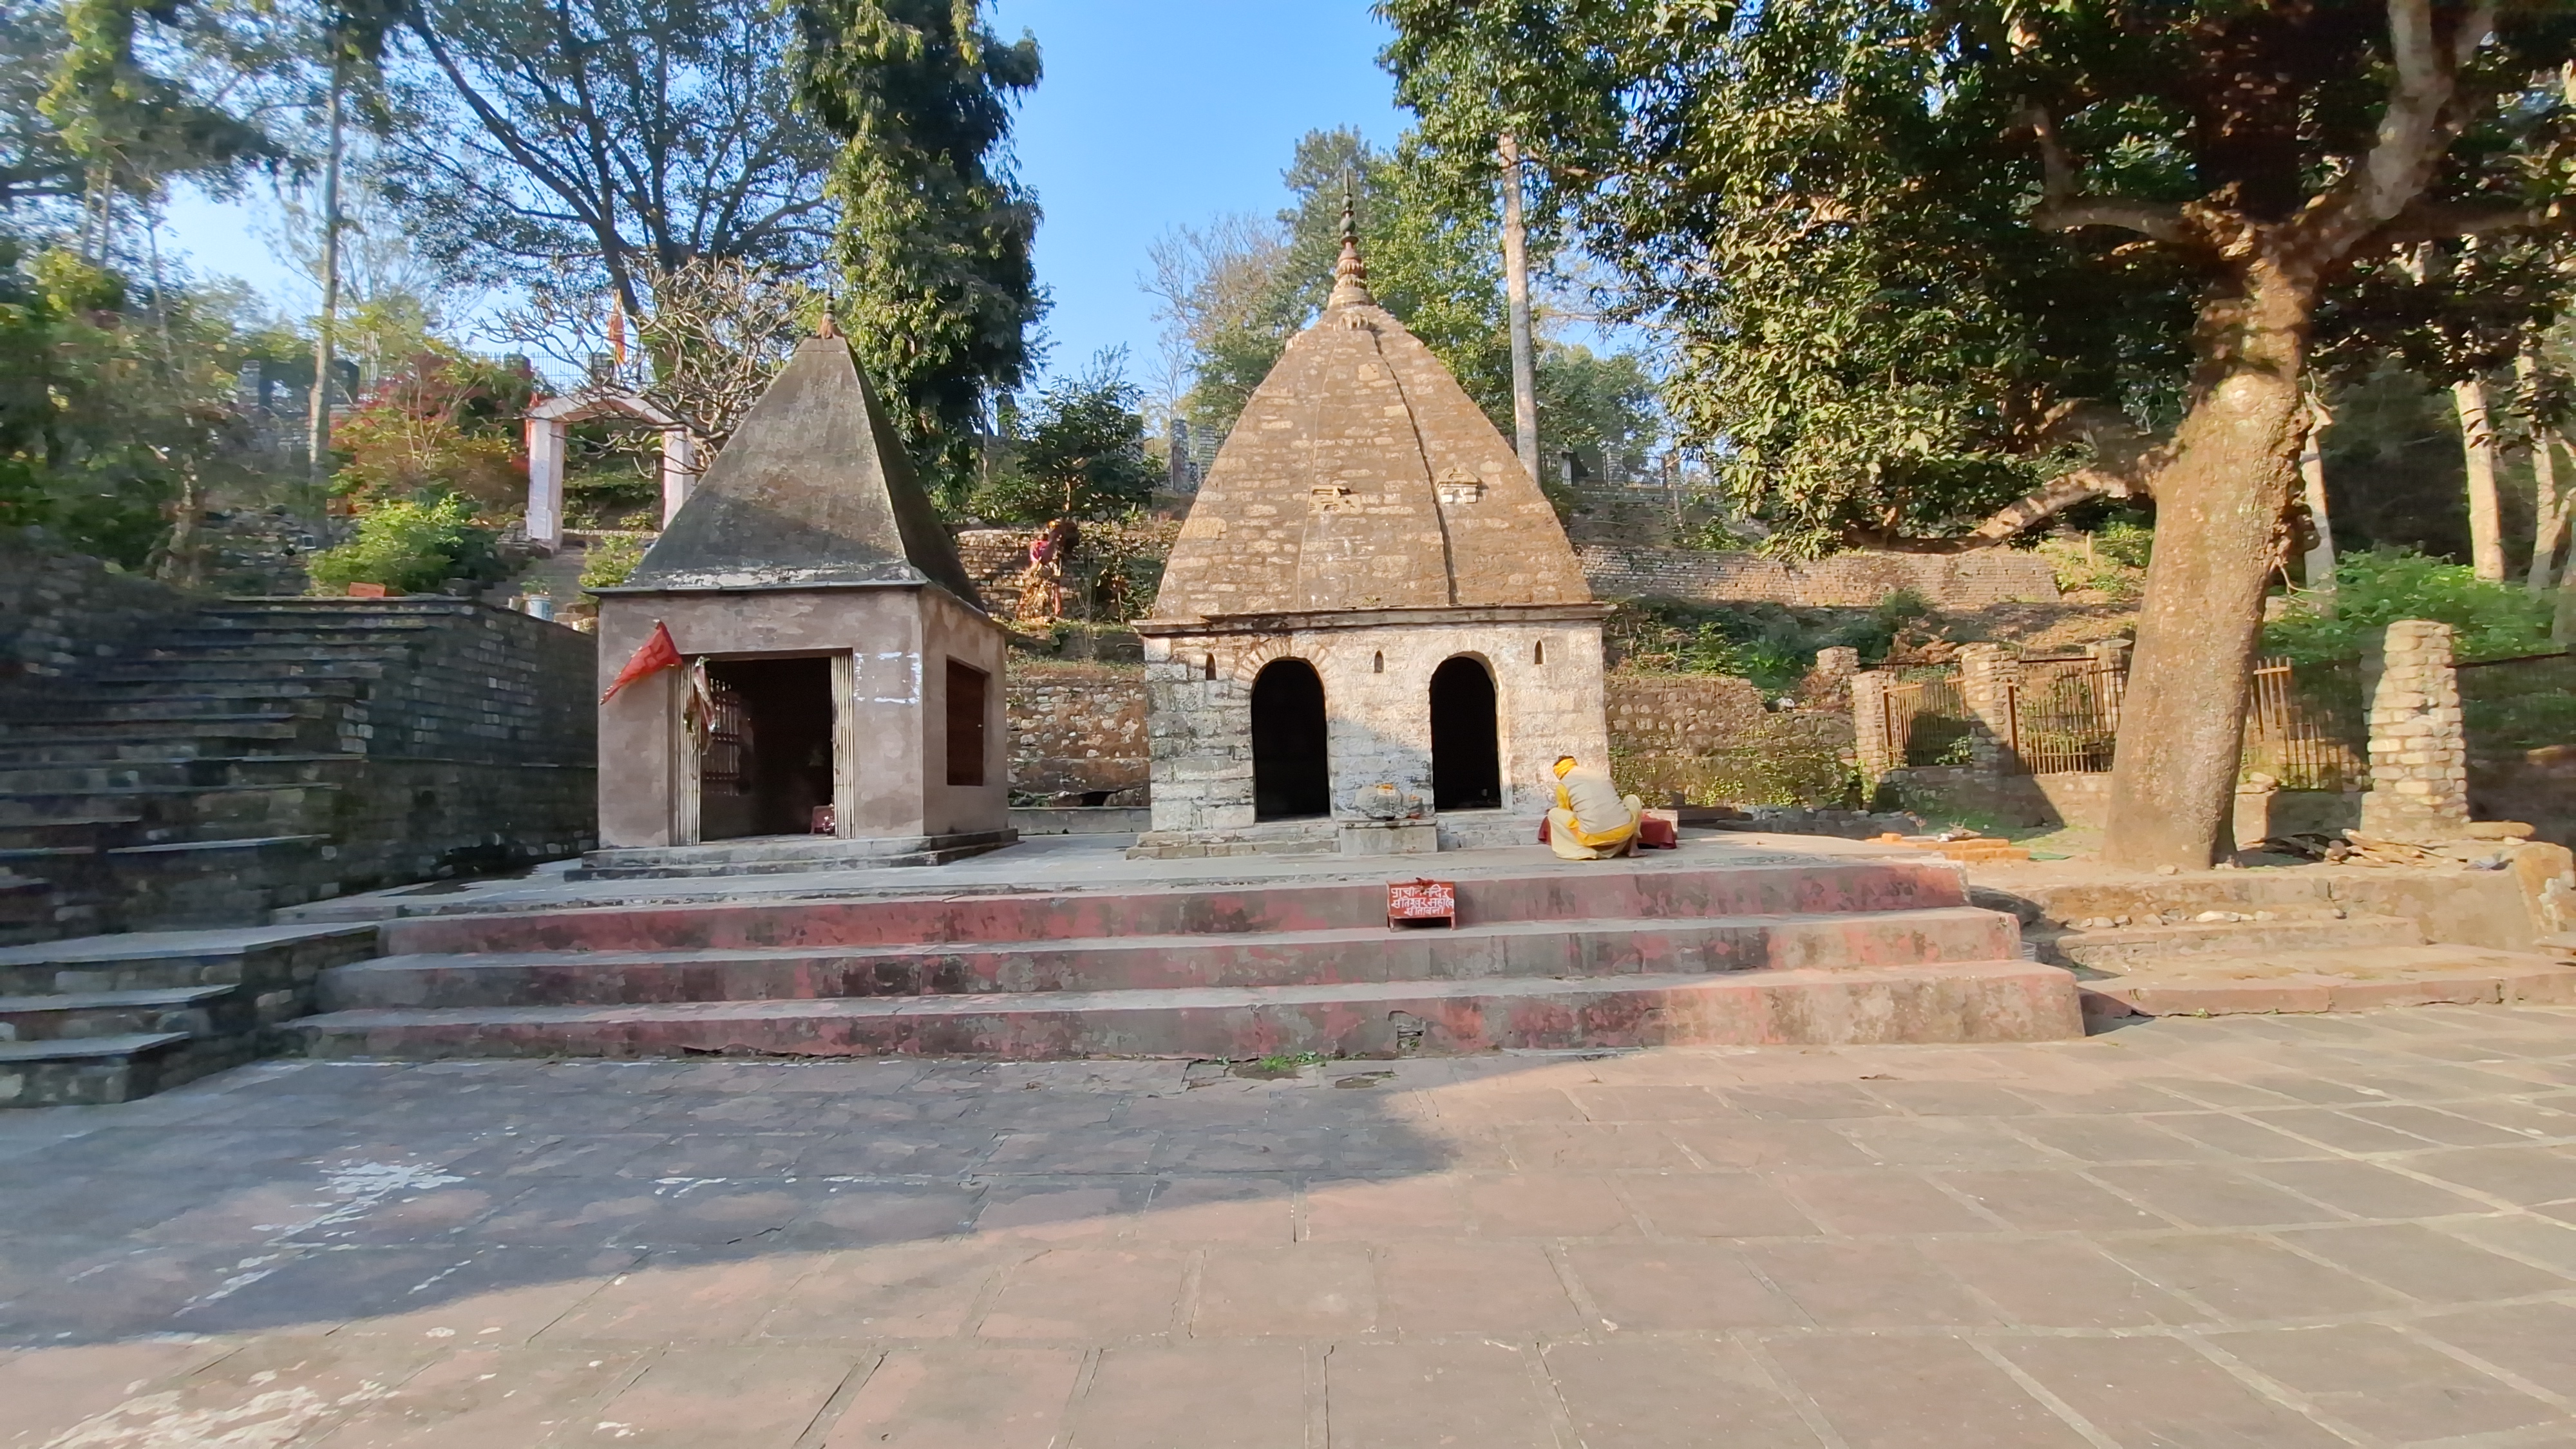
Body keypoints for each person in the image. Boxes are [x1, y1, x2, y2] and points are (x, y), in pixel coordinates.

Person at [1547, 755, 1643, 860]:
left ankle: (1582, 851)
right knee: (1632, 799)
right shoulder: (1601, 774)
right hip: (1625, 830)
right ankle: (1633, 848)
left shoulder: (1563, 785)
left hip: (1592, 836)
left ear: (1558, 773)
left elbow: (1566, 811)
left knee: (1554, 813)